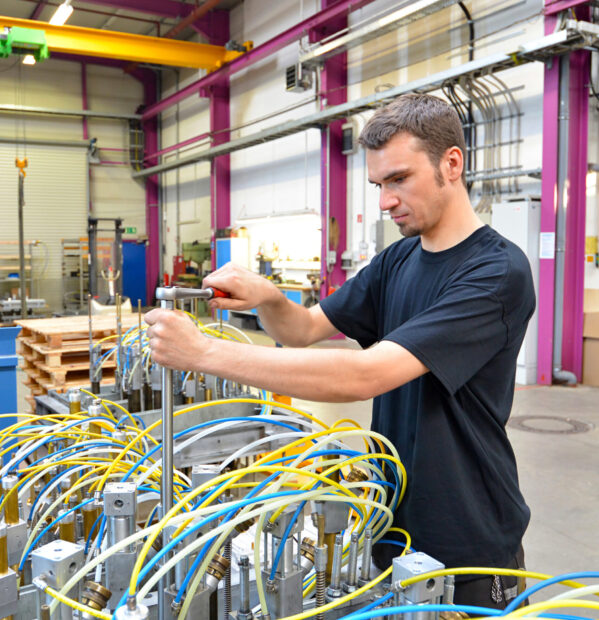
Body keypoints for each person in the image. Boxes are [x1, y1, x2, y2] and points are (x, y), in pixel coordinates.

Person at [144, 93, 533, 609]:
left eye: (398, 179)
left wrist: (203, 353)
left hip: (468, 544)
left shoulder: (496, 272)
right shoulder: (397, 260)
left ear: (451, 164)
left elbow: (366, 374)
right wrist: (268, 296)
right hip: (391, 529)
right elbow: (304, 329)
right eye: (378, 185)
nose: (385, 201)